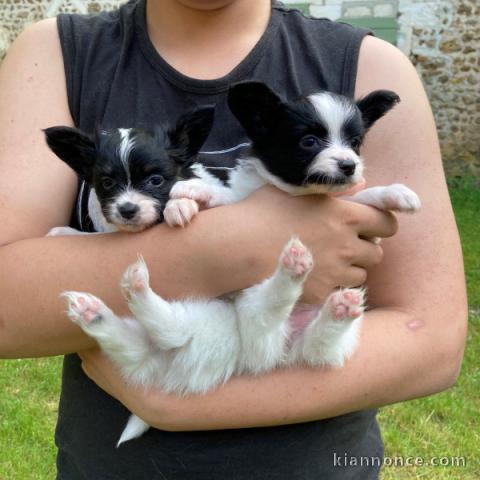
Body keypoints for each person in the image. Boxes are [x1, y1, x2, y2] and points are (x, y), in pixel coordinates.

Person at [0, 0, 467, 478]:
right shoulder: (58, 53)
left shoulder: (370, 63)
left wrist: (183, 401)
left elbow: (433, 344)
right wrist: (232, 246)